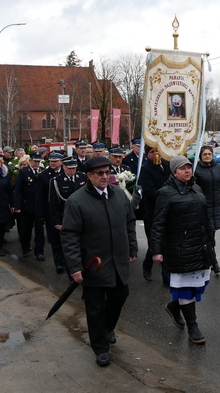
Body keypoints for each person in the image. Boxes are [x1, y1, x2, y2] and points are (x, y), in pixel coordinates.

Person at [60, 156, 138, 367]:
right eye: (100, 174)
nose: (105, 177)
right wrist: (75, 267)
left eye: (107, 173)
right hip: (94, 264)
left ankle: (106, 328)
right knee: (94, 308)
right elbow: (69, 236)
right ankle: (100, 348)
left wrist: (132, 247)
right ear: (90, 176)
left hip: (117, 261)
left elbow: (129, 222)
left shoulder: (119, 195)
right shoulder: (77, 201)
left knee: (120, 295)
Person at [151, 156, 214, 344]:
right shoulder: (166, 193)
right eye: (183, 168)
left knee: (198, 286)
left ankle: (173, 306)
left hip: (201, 245)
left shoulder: (196, 188)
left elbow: (205, 216)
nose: (187, 171)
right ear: (174, 172)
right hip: (180, 247)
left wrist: (210, 240)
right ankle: (193, 326)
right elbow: (158, 223)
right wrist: (156, 250)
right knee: (186, 288)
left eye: (189, 167)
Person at [137, 146, 171, 282]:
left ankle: (166, 275)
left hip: (168, 208)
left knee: (166, 242)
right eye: (152, 152)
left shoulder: (167, 164)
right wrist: (166, 196)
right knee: (155, 242)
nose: (155, 153)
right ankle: (147, 265)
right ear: (147, 154)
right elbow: (149, 191)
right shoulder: (146, 168)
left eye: (157, 151)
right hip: (153, 210)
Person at [193, 144, 220, 274]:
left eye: (209, 154)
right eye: (205, 154)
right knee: (208, 234)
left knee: (211, 234)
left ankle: (209, 259)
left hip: (217, 206)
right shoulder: (197, 170)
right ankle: (213, 262)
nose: (207, 156)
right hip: (204, 207)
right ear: (201, 156)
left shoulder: (219, 168)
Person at [49, 158, 87, 269]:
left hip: (80, 215)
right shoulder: (56, 180)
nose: (72, 171)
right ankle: (60, 263)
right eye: (69, 168)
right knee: (62, 241)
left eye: (74, 168)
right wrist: (56, 221)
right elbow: (53, 203)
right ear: (64, 167)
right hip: (64, 215)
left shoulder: (83, 177)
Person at [37, 152, 65, 272]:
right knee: (54, 238)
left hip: (65, 211)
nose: (52, 163)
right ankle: (58, 263)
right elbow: (39, 197)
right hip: (51, 212)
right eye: (51, 161)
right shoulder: (43, 176)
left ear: (61, 162)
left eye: (55, 161)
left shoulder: (66, 173)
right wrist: (40, 214)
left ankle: (67, 261)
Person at [14, 154, 45, 259]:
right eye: (34, 161)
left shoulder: (42, 171)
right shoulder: (23, 172)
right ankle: (25, 248)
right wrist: (17, 206)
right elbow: (18, 190)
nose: (36, 163)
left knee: (39, 231)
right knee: (26, 230)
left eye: (38, 161)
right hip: (27, 206)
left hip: (39, 206)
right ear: (30, 161)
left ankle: (39, 252)